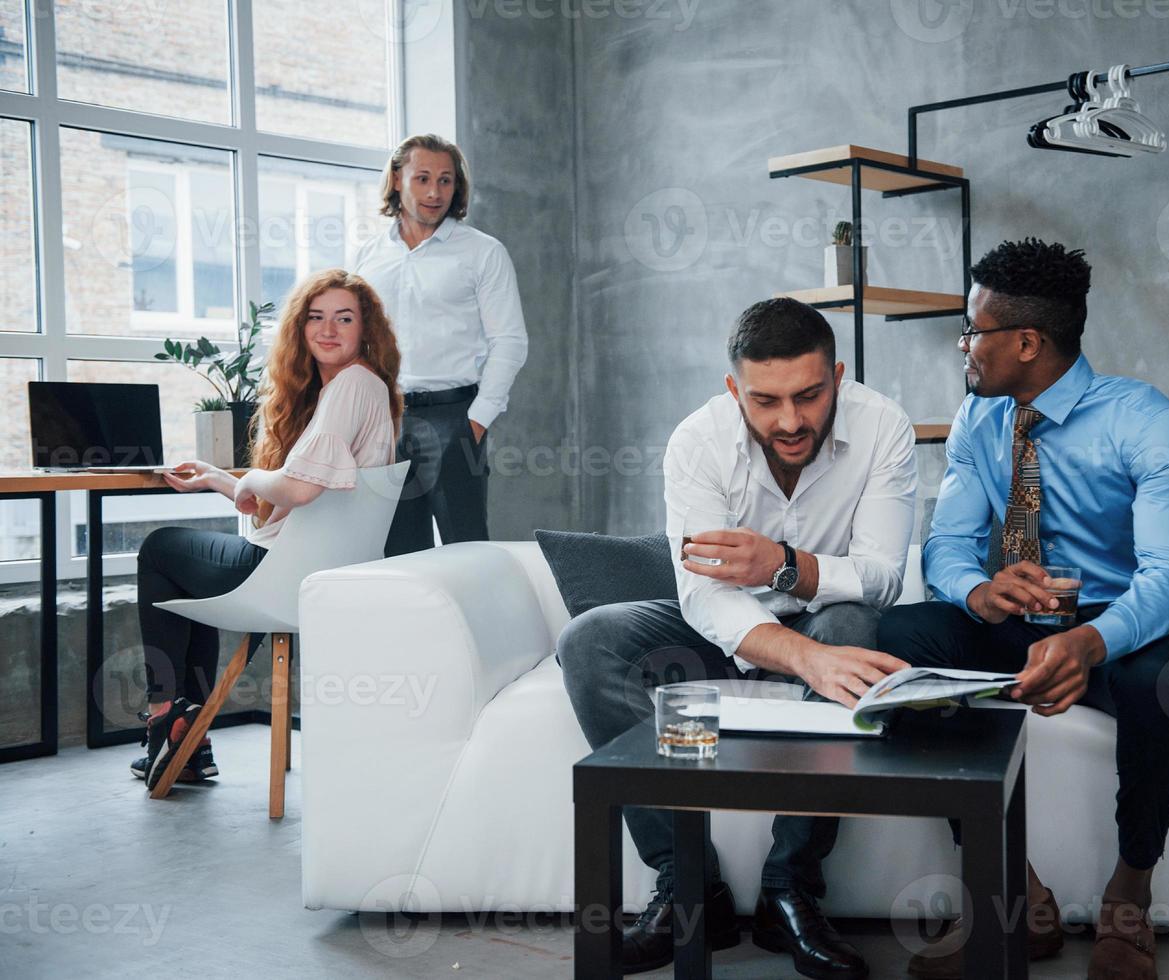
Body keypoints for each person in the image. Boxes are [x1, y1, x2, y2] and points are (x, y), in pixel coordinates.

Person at [876, 239, 1169, 980]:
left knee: (1160, 674)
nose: (961, 346)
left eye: (972, 331)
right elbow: (947, 546)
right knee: (900, 637)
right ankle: (1016, 896)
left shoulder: (1145, 420)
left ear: (1025, 342)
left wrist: (1090, 641)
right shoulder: (978, 420)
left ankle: (1129, 899)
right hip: (1020, 621)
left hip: (1124, 622)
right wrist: (975, 591)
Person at [558, 298, 918, 978]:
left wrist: (783, 565)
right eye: (765, 401)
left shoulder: (883, 427)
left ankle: (791, 891)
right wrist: (799, 657)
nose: (789, 421)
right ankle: (688, 887)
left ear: (836, 376)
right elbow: (702, 594)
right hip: (727, 625)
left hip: (825, 616)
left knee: (849, 626)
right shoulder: (697, 440)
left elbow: (881, 578)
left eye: (809, 396)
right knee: (589, 641)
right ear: (734, 390)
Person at [129, 269, 402, 790]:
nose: (328, 329)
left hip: (283, 573)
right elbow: (298, 500)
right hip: (313, 565)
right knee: (187, 571)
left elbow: (297, 492)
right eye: (315, 318)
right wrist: (218, 480)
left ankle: (165, 716)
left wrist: (251, 476)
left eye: (344, 318)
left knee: (160, 550)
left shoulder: (351, 385)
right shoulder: (368, 388)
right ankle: (186, 737)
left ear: (366, 329)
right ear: (300, 329)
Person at [353, 133, 528, 556]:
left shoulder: (483, 252)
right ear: (397, 179)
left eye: (446, 181)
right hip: (384, 418)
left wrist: (476, 422)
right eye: (423, 178)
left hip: (455, 417)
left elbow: (510, 341)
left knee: (465, 552)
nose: (435, 192)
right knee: (394, 554)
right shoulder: (368, 255)